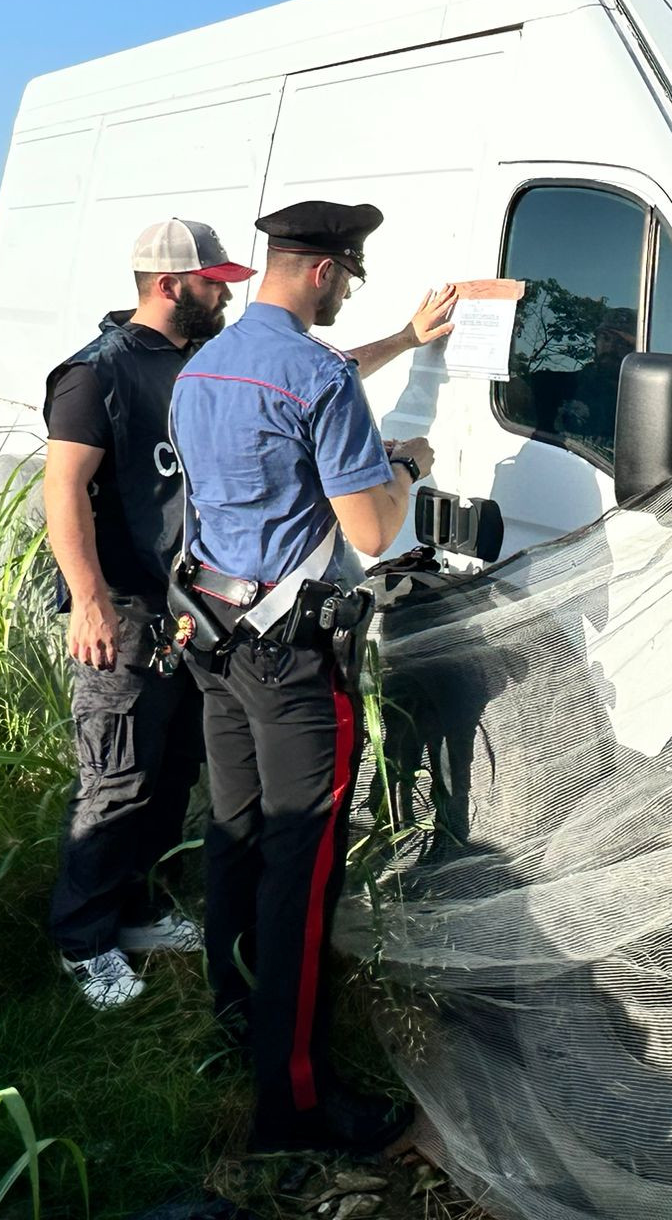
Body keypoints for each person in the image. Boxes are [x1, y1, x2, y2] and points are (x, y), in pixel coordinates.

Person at [169, 200, 449, 1156]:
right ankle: (291, 1108)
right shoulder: (320, 379)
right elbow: (371, 532)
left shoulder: (202, 363)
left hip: (209, 633)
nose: (344, 298)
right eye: (349, 281)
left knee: (235, 833)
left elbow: (303, 390)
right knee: (303, 869)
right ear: (326, 272)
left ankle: (235, 1016)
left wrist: (406, 339)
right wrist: (404, 465)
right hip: (290, 656)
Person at [43, 218, 255, 1009]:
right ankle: (82, 940)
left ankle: (136, 913)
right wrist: (90, 600)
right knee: (115, 779)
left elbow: (311, 370)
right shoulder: (96, 375)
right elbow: (62, 489)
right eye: (214, 281)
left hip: (183, 610)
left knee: (171, 772)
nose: (225, 293)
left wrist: (407, 337)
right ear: (171, 286)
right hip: (125, 611)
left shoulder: (196, 361)